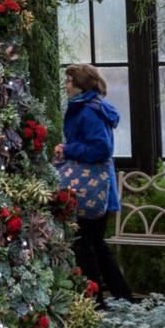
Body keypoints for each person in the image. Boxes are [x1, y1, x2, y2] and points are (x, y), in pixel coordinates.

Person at [53, 62, 133, 307]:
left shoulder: (89, 110)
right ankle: (122, 299)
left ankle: (95, 302)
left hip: (89, 190)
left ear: (81, 85)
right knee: (96, 244)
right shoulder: (95, 106)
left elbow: (101, 148)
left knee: (84, 245)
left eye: (69, 81)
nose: (65, 85)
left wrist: (68, 149)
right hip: (99, 189)